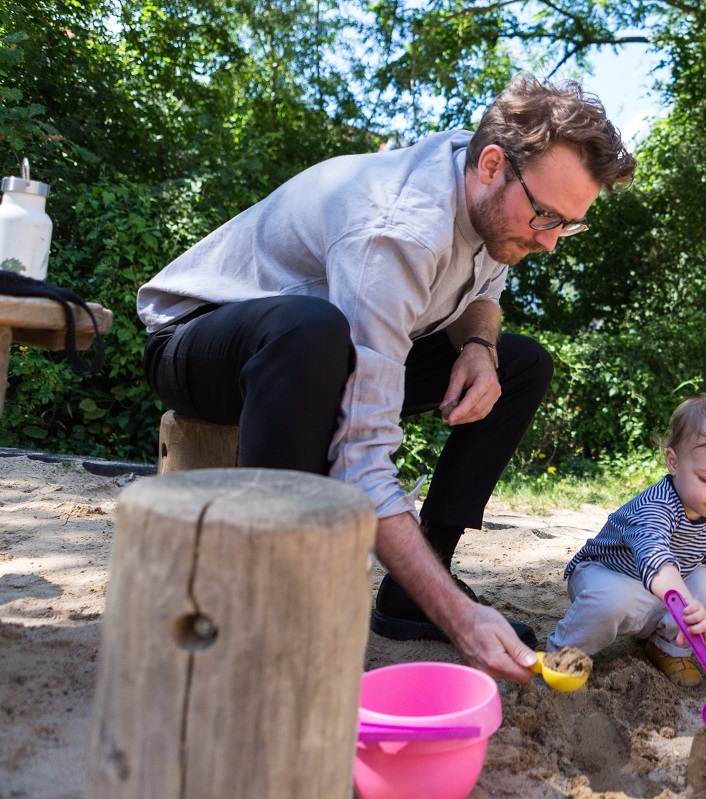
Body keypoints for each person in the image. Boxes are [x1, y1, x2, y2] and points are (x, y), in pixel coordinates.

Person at [136, 74, 636, 682]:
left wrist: (478, 345)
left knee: (522, 362)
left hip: (320, 349)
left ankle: (414, 592)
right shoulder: (397, 229)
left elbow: (483, 287)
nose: (551, 242)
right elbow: (359, 460)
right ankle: (276, 592)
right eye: (545, 216)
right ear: (491, 165)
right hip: (200, 338)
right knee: (311, 331)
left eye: (568, 224)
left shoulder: (489, 193)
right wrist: (460, 619)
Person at [546, 394, 706, 686]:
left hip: (657, 591)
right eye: (705, 478)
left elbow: (705, 543)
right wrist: (685, 602)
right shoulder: (654, 508)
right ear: (673, 462)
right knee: (611, 599)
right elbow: (656, 557)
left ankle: (668, 648)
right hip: (607, 576)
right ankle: (563, 655)